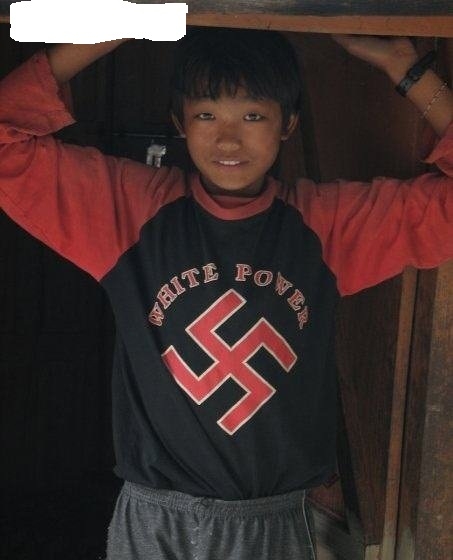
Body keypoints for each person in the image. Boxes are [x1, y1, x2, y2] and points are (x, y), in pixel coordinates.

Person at [0, 28, 452, 560]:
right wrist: (108, 31)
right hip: (155, 521)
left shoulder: (325, 227)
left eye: (253, 116)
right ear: (179, 123)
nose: (229, 141)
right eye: (207, 115)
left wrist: (407, 69)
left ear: (289, 124)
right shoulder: (129, 211)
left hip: (276, 522)